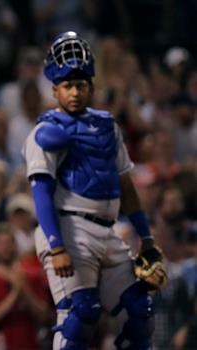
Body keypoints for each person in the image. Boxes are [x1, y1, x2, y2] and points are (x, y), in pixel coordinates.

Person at [22, 31, 163, 349]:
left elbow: (125, 184)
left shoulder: (107, 127)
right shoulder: (46, 131)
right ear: (55, 89)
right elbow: (40, 191)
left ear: (91, 87)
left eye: (81, 85)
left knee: (140, 311)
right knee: (78, 314)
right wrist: (56, 247)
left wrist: (148, 237)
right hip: (68, 229)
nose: (75, 92)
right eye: (68, 86)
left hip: (108, 230)